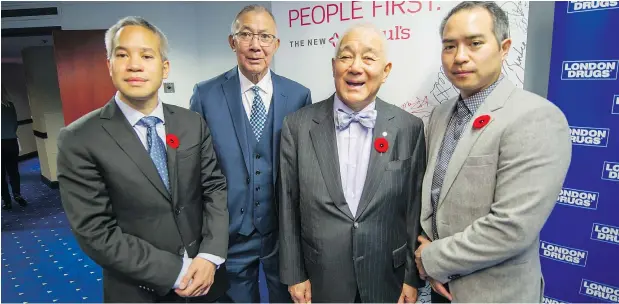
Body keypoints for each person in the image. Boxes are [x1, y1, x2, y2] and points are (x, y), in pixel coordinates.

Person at [57, 16, 229, 303]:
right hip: (138, 290)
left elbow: (214, 188)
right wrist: (176, 271)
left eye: (146, 55)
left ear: (164, 68)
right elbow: (95, 231)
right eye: (122, 54)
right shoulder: (79, 139)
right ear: (109, 65)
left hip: (208, 282)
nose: (134, 65)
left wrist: (210, 256)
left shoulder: (191, 123)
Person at [415, 2, 572, 302]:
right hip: (440, 288)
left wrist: (432, 259)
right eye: (449, 46)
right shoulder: (440, 114)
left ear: (504, 48)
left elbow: (511, 228)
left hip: (495, 293)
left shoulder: (536, 117)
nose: (460, 57)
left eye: (475, 43)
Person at [278, 24, 426, 303]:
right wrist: (294, 274)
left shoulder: (409, 128)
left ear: (386, 70)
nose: (356, 67)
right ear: (334, 66)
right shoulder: (297, 126)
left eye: (369, 59)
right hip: (320, 276)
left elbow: (412, 209)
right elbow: (287, 204)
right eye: (346, 57)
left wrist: (410, 277)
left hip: (387, 277)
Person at [189, 5, 311, 303]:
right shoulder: (206, 95)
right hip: (230, 234)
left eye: (265, 36)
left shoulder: (298, 96)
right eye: (246, 34)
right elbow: (195, 170)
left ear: (276, 45)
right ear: (233, 42)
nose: (256, 45)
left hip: (282, 235)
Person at [1, 84, 28, 210]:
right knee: (13, 172)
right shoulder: (10, 105)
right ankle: (17, 194)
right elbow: (15, 124)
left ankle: (6, 201)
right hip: (11, 142)